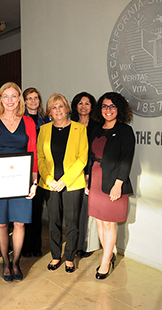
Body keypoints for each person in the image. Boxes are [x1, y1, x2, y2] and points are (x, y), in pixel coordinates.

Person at [0, 82, 38, 282]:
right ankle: (5, 263)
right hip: (0, 180)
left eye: (14, 96)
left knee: (20, 223)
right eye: (5, 96)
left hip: (22, 179)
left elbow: (33, 152)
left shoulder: (28, 122)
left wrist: (34, 181)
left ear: (19, 99)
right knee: (2, 224)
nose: (10, 100)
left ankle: (16, 262)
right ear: (0, 100)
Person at [37, 93, 88, 273]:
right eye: (54, 107)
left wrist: (64, 181)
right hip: (50, 183)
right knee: (54, 222)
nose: (58, 110)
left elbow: (82, 158)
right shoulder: (43, 130)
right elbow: (40, 158)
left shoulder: (79, 129)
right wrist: (49, 179)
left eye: (61, 106)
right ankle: (56, 255)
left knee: (72, 222)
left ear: (66, 108)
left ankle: (70, 257)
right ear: (49, 111)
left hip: (72, 184)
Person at [87, 92, 135, 280]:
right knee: (99, 221)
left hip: (114, 181)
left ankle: (105, 262)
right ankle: (108, 253)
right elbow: (90, 156)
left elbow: (126, 160)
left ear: (119, 109)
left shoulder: (125, 131)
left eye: (112, 106)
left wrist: (118, 184)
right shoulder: (96, 129)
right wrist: (88, 180)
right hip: (96, 180)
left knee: (109, 223)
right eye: (105, 106)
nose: (108, 110)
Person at [70, 92, 101, 258]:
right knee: (75, 211)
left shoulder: (97, 126)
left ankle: (87, 245)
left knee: (88, 210)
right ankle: (75, 244)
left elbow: (95, 151)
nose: (83, 106)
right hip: (73, 172)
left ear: (92, 107)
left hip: (90, 171)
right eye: (80, 103)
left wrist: (88, 172)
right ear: (75, 106)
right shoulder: (70, 124)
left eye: (87, 103)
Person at [22, 87, 50, 258]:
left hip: (41, 168)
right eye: (29, 98)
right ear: (24, 101)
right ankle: (25, 246)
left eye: (36, 98)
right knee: (25, 209)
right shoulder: (20, 120)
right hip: (24, 168)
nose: (33, 101)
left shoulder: (46, 121)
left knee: (37, 208)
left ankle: (36, 245)